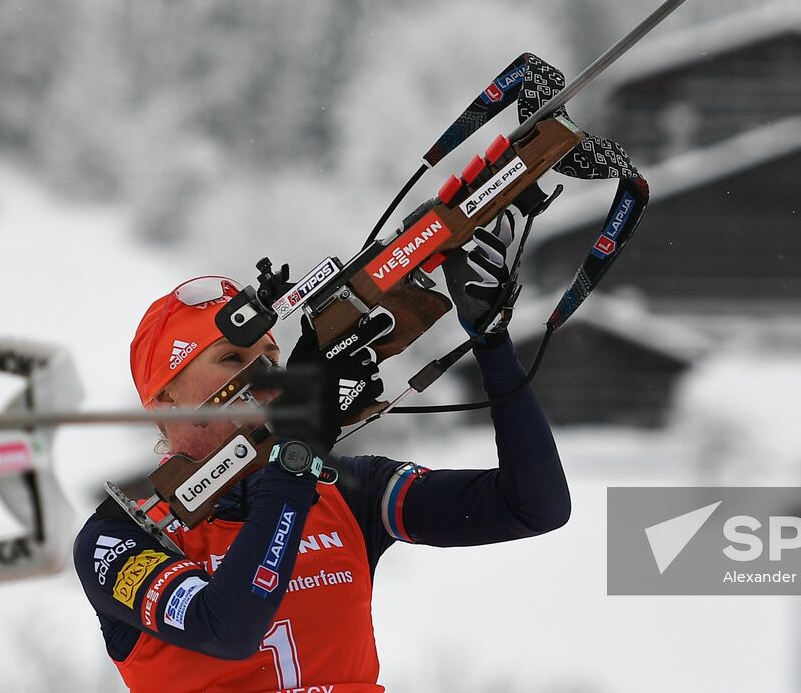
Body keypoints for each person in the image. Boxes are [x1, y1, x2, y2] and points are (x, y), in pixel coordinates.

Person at [72, 215, 570, 692]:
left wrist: (493, 343)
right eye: (231, 358)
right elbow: (227, 626)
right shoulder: (116, 535)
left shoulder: (346, 492)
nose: (264, 376)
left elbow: (533, 506)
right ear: (165, 400)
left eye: (270, 357)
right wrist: (300, 451)